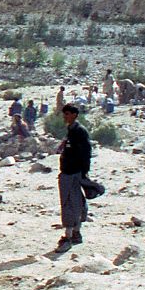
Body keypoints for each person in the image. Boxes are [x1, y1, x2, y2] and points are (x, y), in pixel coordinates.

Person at [55, 104, 91, 252]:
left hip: (73, 173)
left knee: (70, 204)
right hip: (69, 172)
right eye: (64, 114)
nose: (65, 117)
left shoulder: (79, 131)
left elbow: (86, 152)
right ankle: (76, 233)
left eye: (68, 114)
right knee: (76, 202)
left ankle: (68, 237)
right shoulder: (71, 131)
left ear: (75, 115)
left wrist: (84, 172)